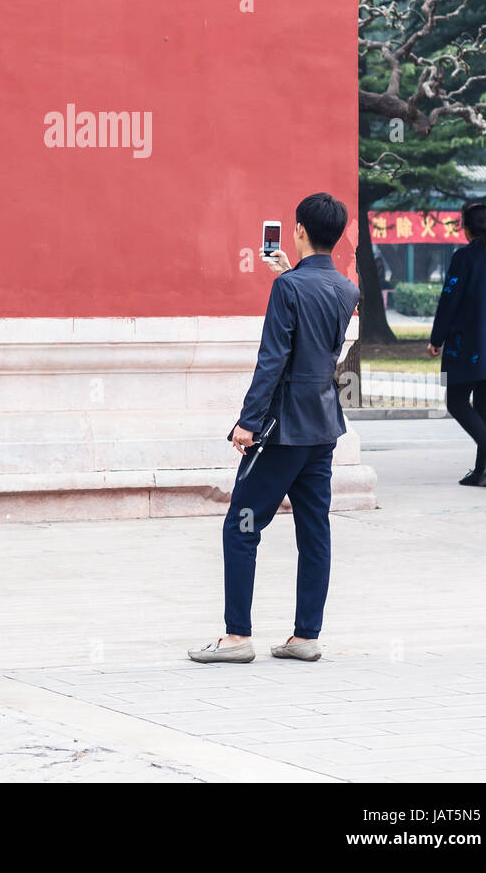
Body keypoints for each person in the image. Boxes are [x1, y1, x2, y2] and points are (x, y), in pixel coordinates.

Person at [188, 193, 358, 666]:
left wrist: (248, 421)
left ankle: (237, 638)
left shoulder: (288, 289)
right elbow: (316, 344)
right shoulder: (347, 289)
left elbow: (274, 359)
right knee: (314, 530)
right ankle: (306, 636)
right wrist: (289, 273)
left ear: (299, 230)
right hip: (324, 426)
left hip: (283, 428)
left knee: (241, 525)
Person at [428, 202, 486, 488]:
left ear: (466, 228)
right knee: (485, 403)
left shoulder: (464, 258)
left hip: (469, 345)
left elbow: (449, 299)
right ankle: (483, 471)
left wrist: (437, 338)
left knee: (456, 401)